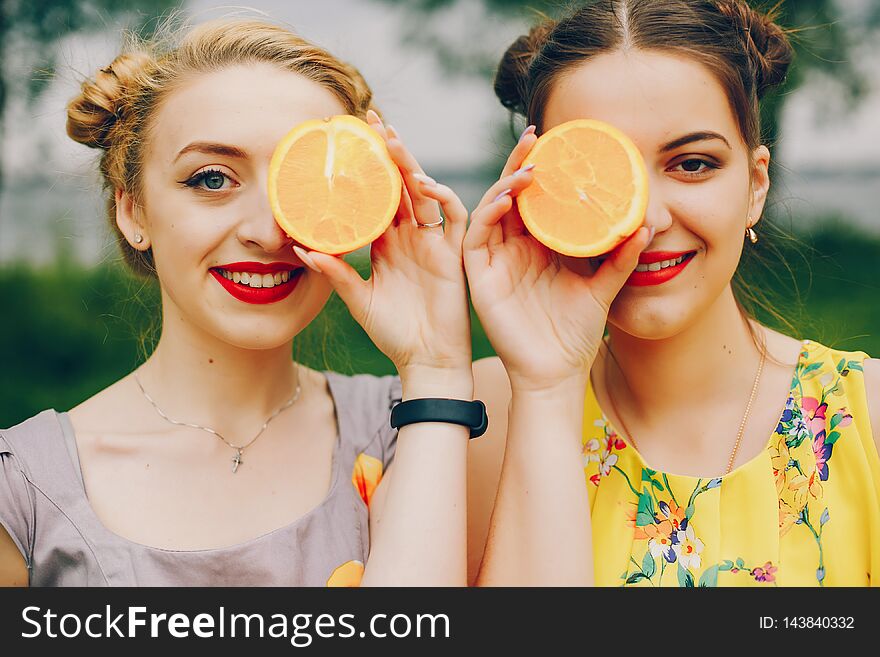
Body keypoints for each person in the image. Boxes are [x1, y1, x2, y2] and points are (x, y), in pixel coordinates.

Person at [0, 18, 476, 586]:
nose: (268, 232)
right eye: (211, 179)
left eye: (309, 185)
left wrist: (435, 366)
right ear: (134, 212)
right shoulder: (23, 495)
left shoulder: (424, 428)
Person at [466, 0, 880, 586]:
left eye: (691, 164)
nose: (647, 218)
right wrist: (545, 387)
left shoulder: (867, 418)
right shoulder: (483, 415)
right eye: (593, 178)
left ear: (755, 185)